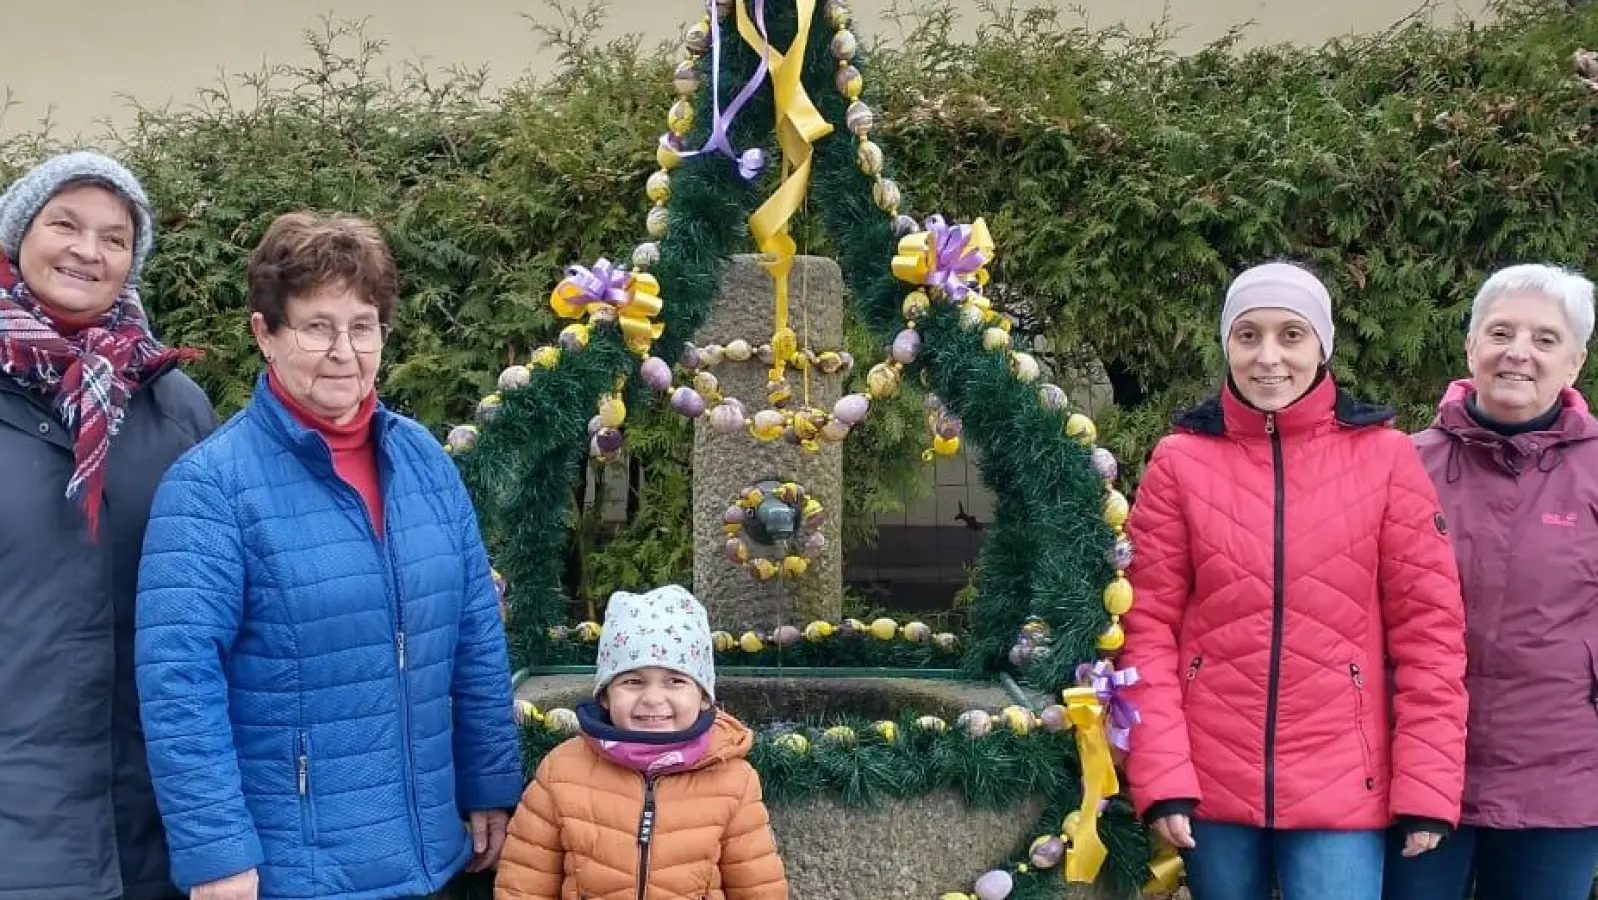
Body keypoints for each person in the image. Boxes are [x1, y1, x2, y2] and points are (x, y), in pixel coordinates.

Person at [134, 211, 523, 900]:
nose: (344, 350)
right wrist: (217, 855)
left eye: (362, 325)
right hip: (292, 870)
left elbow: (475, 636)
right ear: (267, 334)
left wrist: (487, 782)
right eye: (317, 326)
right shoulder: (210, 489)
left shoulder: (425, 461)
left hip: (431, 851)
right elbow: (179, 688)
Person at [1119, 261, 1470, 900]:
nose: (1269, 357)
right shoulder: (1180, 462)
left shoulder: (1386, 457)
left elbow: (1430, 639)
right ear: (1227, 344)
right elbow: (1145, 630)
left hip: (1343, 779)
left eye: (1291, 335)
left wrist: (1426, 787)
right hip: (1210, 778)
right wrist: (1162, 773)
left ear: (1322, 345)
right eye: (1248, 335)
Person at [0, 151, 214, 900]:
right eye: (65, 224)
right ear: (20, 233)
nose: (87, 251)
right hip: (19, 828)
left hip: (155, 824)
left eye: (114, 237)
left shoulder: (173, 404)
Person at [1383, 263, 1598, 900]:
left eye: (1544, 339)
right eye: (1501, 332)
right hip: (1416, 769)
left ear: (1575, 362)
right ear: (1471, 345)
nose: (1519, 353)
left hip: (1559, 778)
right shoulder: (1403, 462)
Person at [494, 584, 789, 900]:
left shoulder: (733, 779)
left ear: (703, 696)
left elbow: (758, 887)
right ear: (606, 695)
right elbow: (524, 885)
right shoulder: (561, 772)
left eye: (675, 681)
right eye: (632, 682)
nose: (652, 698)